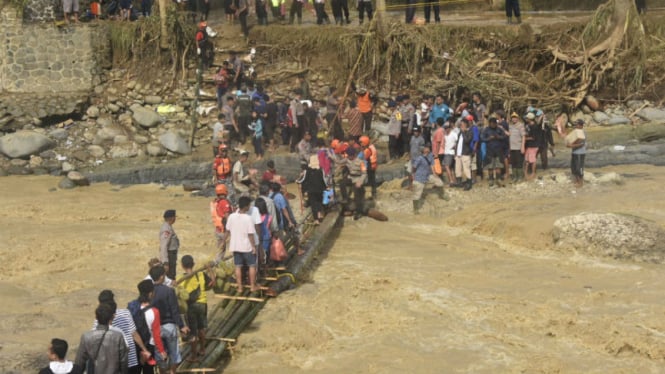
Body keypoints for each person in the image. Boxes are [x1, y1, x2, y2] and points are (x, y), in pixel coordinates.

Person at [95, 290, 151, 373]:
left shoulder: (99, 319)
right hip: (130, 359)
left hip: (112, 363)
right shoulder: (125, 313)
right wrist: (144, 349)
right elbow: (134, 334)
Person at [150, 265, 189, 374]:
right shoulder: (169, 291)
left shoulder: (149, 292)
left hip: (155, 328)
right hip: (169, 326)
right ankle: (172, 372)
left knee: (160, 354)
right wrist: (182, 326)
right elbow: (174, 311)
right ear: (162, 276)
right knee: (174, 353)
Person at [127, 280, 167, 374]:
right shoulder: (154, 311)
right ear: (150, 293)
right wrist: (162, 351)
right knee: (148, 371)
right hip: (149, 346)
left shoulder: (131, 307)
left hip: (134, 345)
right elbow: (156, 335)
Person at [74, 304, 128, 373]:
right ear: (111, 318)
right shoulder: (118, 336)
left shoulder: (86, 336)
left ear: (96, 317)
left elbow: (79, 362)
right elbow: (123, 361)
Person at [222, 196, 259, 292]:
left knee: (238, 266)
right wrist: (253, 247)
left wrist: (223, 241)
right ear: (246, 207)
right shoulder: (248, 218)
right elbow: (250, 235)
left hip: (235, 246)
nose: (250, 207)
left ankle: (240, 287)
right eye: (249, 205)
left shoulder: (231, 216)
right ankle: (252, 286)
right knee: (252, 265)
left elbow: (227, 231)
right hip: (246, 247)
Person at [178, 255, 209, 361]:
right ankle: (203, 349)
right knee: (201, 328)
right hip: (202, 304)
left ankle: (194, 356)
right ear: (193, 264)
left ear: (182, 266)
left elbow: (179, 296)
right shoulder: (201, 274)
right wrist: (210, 271)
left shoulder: (180, 279)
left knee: (193, 332)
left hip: (191, 307)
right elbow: (212, 283)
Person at [412, 145, 446, 214]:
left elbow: (432, 165)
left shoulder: (430, 156)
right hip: (420, 178)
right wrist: (414, 175)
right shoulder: (419, 158)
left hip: (428, 176)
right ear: (423, 150)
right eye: (426, 148)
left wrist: (434, 174)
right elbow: (414, 167)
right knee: (417, 194)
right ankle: (415, 209)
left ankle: (442, 195)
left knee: (439, 182)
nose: (427, 149)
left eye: (428, 148)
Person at [337, 147, 366, 220]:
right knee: (342, 183)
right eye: (348, 155)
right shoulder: (347, 160)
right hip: (350, 177)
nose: (349, 157)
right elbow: (338, 162)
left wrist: (360, 182)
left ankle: (358, 212)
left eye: (350, 155)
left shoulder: (360, 162)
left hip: (358, 179)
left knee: (357, 194)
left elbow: (364, 174)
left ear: (354, 155)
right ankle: (345, 198)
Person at [297, 155, 327, 224]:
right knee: (319, 203)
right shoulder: (320, 170)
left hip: (311, 191)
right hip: (320, 190)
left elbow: (303, 180)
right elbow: (324, 180)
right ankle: (320, 215)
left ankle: (316, 220)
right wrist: (326, 186)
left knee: (313, 204)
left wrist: (297, 181)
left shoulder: (307, 171)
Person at [481, 118, 508, 187]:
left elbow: (504, 136)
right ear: (489, 123)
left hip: (498, 150)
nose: (493, 124)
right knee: (490, 166)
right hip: (490, 151)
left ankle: (498, 179)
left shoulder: (499, 129)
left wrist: (498, 137)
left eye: (494, 123)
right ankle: (491, 179)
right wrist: (489, 138)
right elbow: (482, 138)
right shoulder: (486, 130)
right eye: (492, 123)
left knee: (498, 166)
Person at [211, 184, 233, 250]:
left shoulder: (216, 202)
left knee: (220, 247)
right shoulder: (224, 203)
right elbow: (227, 216)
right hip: (224, 228)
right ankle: (218, 260)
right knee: (223, 246)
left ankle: (218, 259)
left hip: (218, 228)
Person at [159, 209, 179, 280]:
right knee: (170, 276)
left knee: (171, 275)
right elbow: (164, 246)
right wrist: (165, 262)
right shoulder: (166, 229)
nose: (175, 219)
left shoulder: (168, 226)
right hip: (169, 256)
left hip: (171, 255)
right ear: (172, 218)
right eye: (175, 217)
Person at [455, 118, 474, 191]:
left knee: (466, 169)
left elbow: (467, 141)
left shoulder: (470, 132)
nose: (461, 125)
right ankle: (459, 182)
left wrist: (463, 132)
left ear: (465, 124)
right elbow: (457, 142)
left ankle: (469, 183)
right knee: (458, 169)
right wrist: (456, 153)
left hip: (465, 153)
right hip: (459, 154)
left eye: (462, 124)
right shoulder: (460, 132)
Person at [568, 119, 587, 188]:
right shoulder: (575, 132)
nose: (576, 126)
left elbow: (581, 144)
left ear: (581, 125)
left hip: (580, 153)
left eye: (577, 124)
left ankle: (580, 182)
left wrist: (570, 145)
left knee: (580, 168)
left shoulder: (583, 133)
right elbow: (570, 140)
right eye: (575, 124)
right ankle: (577, 180)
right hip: (574, 152)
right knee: (573, 167)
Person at [508, 112, 526, 183]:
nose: (514, 119)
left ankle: (520, 177)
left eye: (515, 117)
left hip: (518, 147)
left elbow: (523, 136)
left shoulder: (521, 126)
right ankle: (515, 176)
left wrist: (523, 146)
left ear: (517, 118)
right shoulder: (510, 126)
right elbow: (509, 136)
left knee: (519, 163)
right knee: (513, 163)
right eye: (513, 117)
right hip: (512, 147)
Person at [523, 112, 540, 181]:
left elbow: (533, 137)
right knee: (527, 159)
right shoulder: (528, 125)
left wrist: (525, 138)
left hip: (533, 145)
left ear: (530, 119)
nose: (526, 119)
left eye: (527, 118)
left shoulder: (535, 127)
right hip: (529, 145)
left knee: (532, 160)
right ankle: (526, 173)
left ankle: (533, 173)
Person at [359, 135, 378, 199]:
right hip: (373, 165)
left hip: (370, 166)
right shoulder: (372, 147)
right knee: (372, 179)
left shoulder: (368, 149)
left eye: (361, 143)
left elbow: (363, 156)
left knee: (371, 180)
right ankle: (373, 193)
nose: (360, 144)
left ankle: (372, 193)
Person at [443, 122, 458, 186]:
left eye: (447, 128)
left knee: (447, 166)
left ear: (450, 128)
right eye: (445, 128)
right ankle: (454, 181)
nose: (446, 129)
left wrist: (455, 148)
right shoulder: (444, 135)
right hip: (446, 152)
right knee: (451, 167)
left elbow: (457, 142)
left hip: (451, 153)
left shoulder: (454, 134)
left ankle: (451, 181)